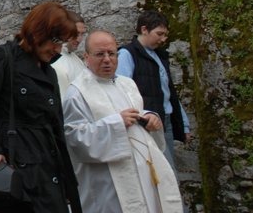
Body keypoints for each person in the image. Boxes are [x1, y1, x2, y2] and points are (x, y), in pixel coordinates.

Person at [0, 1, 82, 213]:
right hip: (19, 175)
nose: (57, 49)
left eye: (61, 42)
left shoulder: (49, 72)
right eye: (55, 40)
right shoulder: (1, 58)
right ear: (38, 31)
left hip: (49, 171)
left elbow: (56, 127)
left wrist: (66, 180)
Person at [64, 31, 183, 213]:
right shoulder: (76, 93)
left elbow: (136, 111)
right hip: (108, 184)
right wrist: (116, 123)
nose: (107, 60)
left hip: (143, 174)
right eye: (100, 54)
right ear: (86, 57)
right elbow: (75, 138)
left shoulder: (127, 84)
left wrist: (150, 117)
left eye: (111, 53)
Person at [117, 11, 191, 176]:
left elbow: (169, 92)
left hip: (166, 121)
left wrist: (183, 123)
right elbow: (122, 92)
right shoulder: (127, 55)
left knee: (167, 173)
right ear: (144, 29)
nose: (163, 39)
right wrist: (141, 119)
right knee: (166, 174)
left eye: (165, 34)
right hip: (147, 124)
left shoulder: (159, 56)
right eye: (159, 34)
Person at [52, 11, 87, 95]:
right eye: (76, 33)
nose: (79, 39)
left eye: (82, 34)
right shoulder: (56, 62)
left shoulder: (74, 57)